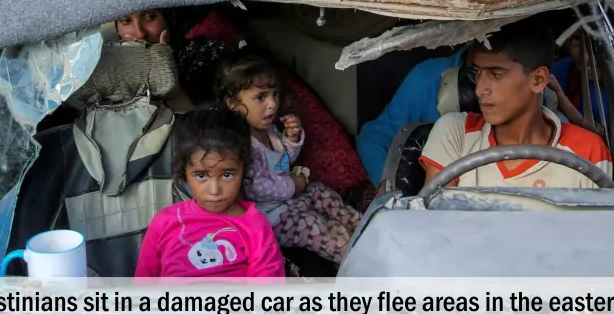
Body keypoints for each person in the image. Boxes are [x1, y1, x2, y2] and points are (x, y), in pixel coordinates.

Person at [419, 16, 613, 189]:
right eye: (477, 72)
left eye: (495, 74)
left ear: (538, 80)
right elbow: (434, 222)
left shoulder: (587, 151)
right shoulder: (456, 133)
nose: (479, 89)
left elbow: (591, 229)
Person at [216, 52, 362, 264]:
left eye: (274, 94)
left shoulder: (270, 131)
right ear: (233, 103)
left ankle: (362, 225)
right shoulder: (240, 144)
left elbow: (284, 164)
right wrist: (293, 185)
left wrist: (291, 140)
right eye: (261, 97)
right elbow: (254, 187)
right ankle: (354, 256)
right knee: (315, 225)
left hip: (291, 197)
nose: (272, 104)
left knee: (320, 191)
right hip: (274, 217)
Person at [134, 106, 285, 278]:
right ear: (185, 173)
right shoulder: (164, 222)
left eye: (227, 174)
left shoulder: (255, 227)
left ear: (244, 169)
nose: (215, 190)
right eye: (201, 175)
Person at [355, 46, 468, 184]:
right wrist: (393, 196)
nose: (483, 87)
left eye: (496, 74)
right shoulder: (429, 77)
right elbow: (374, 138)